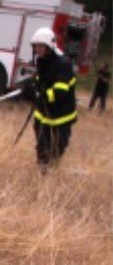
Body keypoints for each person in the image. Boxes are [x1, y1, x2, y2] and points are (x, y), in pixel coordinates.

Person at [22, 27, 77, 169]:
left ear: (49, 46)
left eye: (40, 46)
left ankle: (49, 176)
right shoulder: (43, 61)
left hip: (60, 118)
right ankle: (42, 175)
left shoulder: (63, 65)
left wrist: (39, 95)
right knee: (42, 151)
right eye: (35, 46)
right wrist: (31, 88)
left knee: (54, 152)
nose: (37, 50)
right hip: (42, 116)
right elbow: (42, 81)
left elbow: (60, 93)